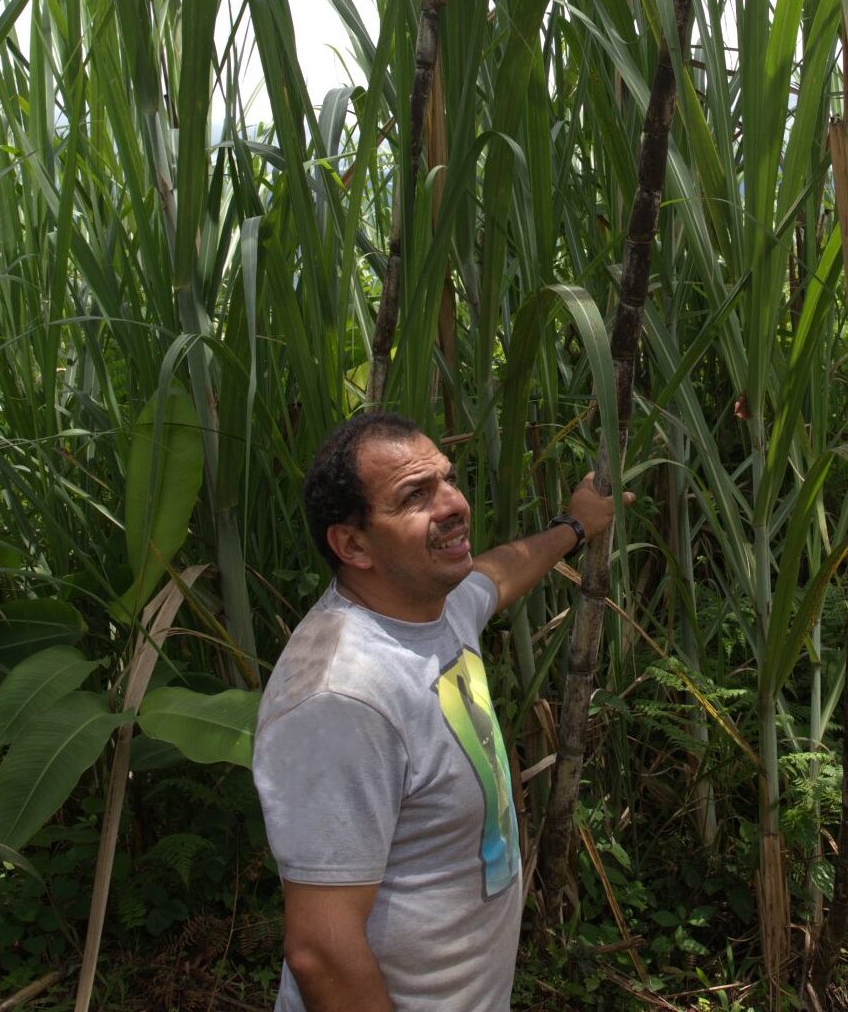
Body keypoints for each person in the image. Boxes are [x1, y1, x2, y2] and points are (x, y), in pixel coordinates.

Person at [252, 411, 628, 1011]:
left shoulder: (433, 605)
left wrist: (574, 526)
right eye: (414, 496)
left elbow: (497, 576)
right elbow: (321, 951)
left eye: (448, 479)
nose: (453, 503)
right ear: (353, 545)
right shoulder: (340, 698)